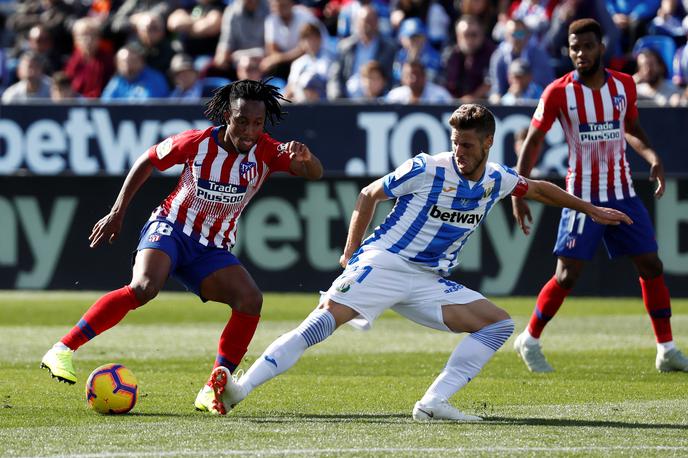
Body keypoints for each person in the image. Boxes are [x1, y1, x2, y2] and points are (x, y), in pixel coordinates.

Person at [202, 103, 631, 419]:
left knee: (498, 324)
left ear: (487, 143)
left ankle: (433, 403)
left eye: (467, 144)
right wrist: (352, 252)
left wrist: (591, 210)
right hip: (386, 261)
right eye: (455, 143)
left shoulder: (497, 178)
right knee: (322, 322)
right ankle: (239, 390)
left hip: (428, 279)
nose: (459, 151)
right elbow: (369, 194)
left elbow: (537, 188)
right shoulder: (428, 168)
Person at [40, 80, 324, 415]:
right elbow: (147, 160)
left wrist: (307, 158)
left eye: (257, 123)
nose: (249, 131)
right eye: (241, 121)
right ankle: (63, 348)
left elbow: (313, 174)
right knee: (144, 288)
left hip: (212, 248)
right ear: (227, 116)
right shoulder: (197, 142)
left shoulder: (266, 150)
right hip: (171, 228)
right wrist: (118, 212)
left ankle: (212, 388)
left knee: (250, 300)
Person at [511, 18, 688, 373]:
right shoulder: (558, 92)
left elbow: (632, 129)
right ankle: (529, 338)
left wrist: (652, 157)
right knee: (566, 276)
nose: (580, 53)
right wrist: (519, 190)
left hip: (622, 193)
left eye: (587, 46)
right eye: (574, 48)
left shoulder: (623, 85)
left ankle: (666, 349)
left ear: (601, 47)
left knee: (651, 264)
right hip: (582, 197)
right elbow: (533, 142)